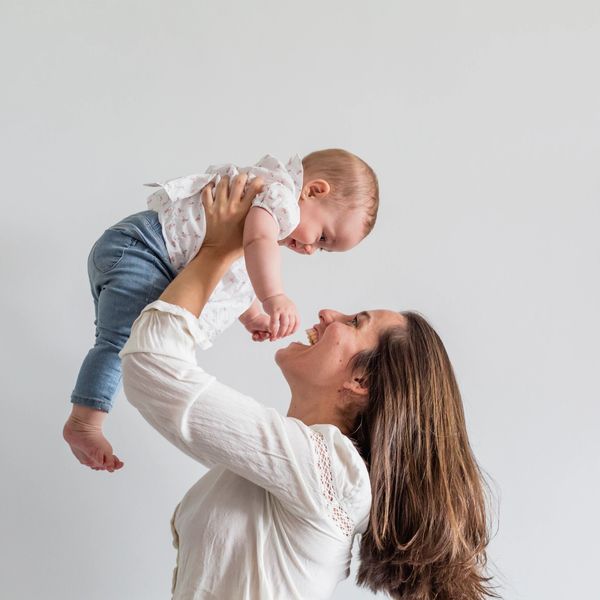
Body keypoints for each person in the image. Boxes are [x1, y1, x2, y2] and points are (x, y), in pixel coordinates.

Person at [119, 176, 497, 599]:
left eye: (354, 322)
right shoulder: (292, 469)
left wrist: (218, 249)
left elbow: (153, 366)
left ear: (361, 381)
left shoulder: (332, 473)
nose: (328, 312)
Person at [63, 149, 379, 472]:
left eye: (322, 249)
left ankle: (86, 416)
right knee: (119, 343)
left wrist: (252, 316)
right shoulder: (280, 198)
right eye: (323, 237)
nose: (311, 249)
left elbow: (234, 271)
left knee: (119, 340)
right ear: (314, 190)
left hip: (133, 249)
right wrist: (274, 297)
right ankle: (84, 422)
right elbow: (257, 243)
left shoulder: (268, 204)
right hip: (145, 251)